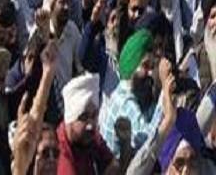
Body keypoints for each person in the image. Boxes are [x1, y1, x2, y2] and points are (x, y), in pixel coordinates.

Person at [98, 29, 165, 158]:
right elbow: (147, 141)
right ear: (132, 66)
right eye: (145, 66)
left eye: (152, 67)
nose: (150, 73)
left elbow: (147, 116)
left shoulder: (127, 93)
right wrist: (164, 97)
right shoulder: (124, 101)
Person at [57, 73, 120, 175]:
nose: (90, 124)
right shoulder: (61, 154)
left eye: (94, 115)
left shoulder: (90, 136)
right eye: (83, 117)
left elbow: (114, 164)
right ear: (70, 119)